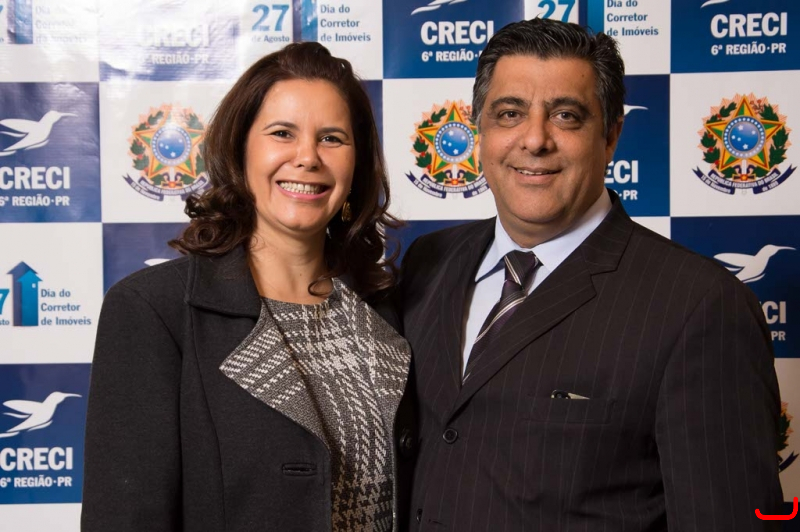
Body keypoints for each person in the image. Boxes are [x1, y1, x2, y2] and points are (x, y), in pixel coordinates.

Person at [398, 18, 783, 531]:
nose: (535, 139)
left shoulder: (701, 305)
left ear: (611, 136)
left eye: (566, 116)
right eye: (510, 113)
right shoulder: (429, 261)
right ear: (480, 131)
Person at [82, 42, 415, 532]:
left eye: (332, 138)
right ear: (241, 151)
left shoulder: (386, 312)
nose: (307, 158)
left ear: (357, 163)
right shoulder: (153, 310)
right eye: (282, 133)